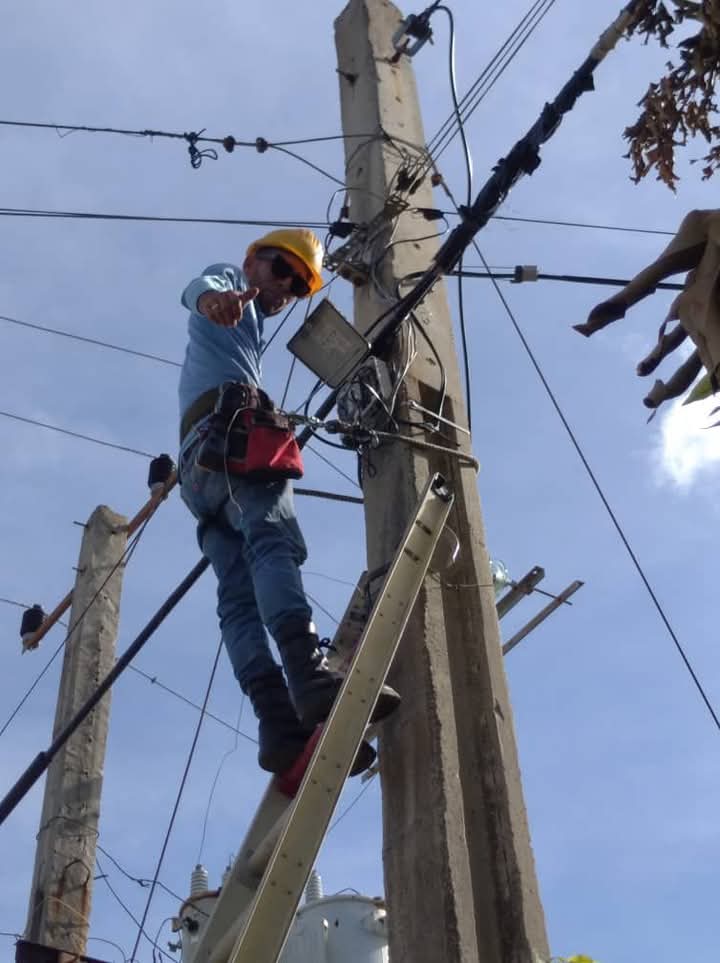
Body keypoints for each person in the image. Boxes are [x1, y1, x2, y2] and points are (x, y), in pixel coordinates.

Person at [177, 229, 398, 776]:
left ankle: (276, 721)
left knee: (238, 598)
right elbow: (201, 289)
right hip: (230, 440)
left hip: (198, 475)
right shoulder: (230, 286)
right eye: (281, 273)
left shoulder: (243, 336)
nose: (284, 289)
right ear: (253, 261)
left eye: (298, 287)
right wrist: (216, 301)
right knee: (274, 544)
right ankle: (308, 677)